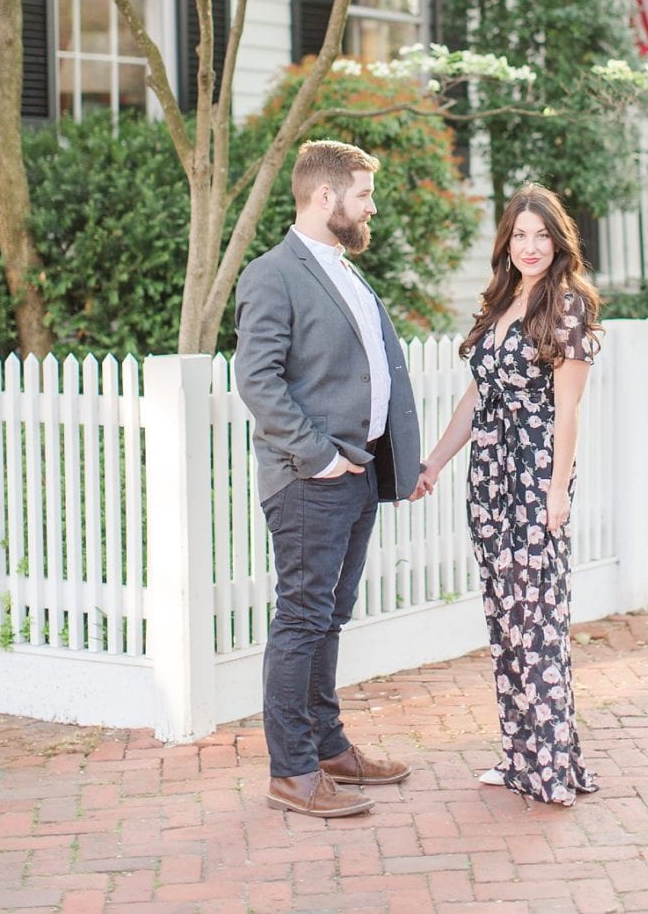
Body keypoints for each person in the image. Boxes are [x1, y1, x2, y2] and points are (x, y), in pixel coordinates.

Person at [236, 140, 423, 818]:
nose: (371, 206)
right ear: (325, 196)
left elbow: (369, 371)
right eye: (364, 195)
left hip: (359, 474)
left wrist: (399, 462)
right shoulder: (272, 275)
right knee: (303, 618)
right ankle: (291, 771)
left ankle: (327, 747)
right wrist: (318, 456)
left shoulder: (344, 269)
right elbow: (257, 380)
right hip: (311, 478)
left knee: (330, 619)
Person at [412, 184, 603, 805]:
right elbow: (477, 398)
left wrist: (557, 490)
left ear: (558, 240)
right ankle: (521, 758)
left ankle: (552, 768)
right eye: (520, 235)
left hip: (533, 475)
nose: (530, 246)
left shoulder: (566, 306)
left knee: (539, 621)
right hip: (488, 478)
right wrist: (435, 463)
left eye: (541, 235)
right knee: (505, 620)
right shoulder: (502, 302)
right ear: (506, 241)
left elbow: (568, 410)